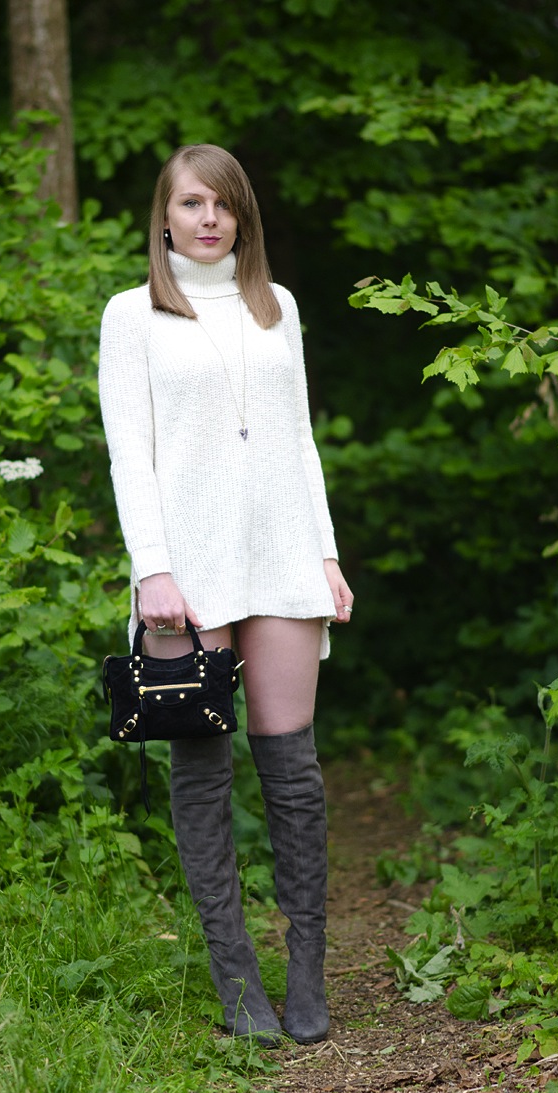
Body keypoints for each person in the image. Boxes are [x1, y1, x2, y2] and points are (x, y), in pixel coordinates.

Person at [98, 143, 353, 1046]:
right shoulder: (131, 316)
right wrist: (152, 568)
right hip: (188, 573)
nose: (209, 218)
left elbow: (300, 442)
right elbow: (132, 453)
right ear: (163, 216)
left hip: (282, 558)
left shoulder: (274, 307)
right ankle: (237, 982)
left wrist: (323, 555)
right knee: (201, 774)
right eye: (193, 203)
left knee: (294, 776)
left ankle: (307, 975)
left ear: (242, 218)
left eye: (225, 205)